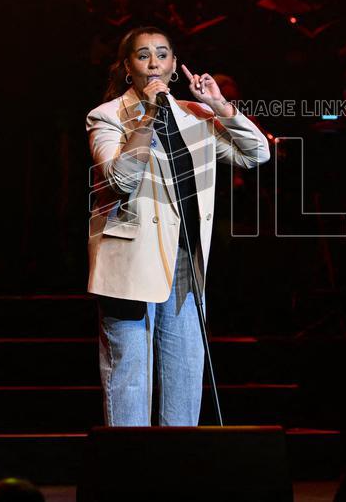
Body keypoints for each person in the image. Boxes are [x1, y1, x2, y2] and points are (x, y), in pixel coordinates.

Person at [85, 26, 270, 426]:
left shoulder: (194, 115)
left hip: (185, 261)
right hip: (132, 262)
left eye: (163, 54)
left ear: (173, 66)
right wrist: (147, 115)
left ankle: (178, 473)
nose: (154, 63)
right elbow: (120, 180)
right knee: (130, 378)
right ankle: (130, 473)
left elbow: (257, 154)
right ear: (127, 67)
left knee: (185, 378)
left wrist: (220, 106)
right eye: (143, 55)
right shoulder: (106, 117)